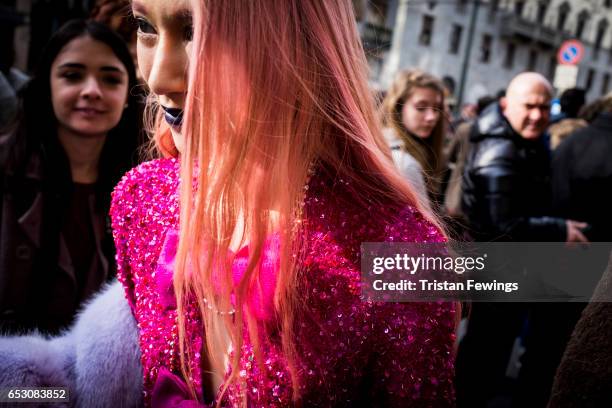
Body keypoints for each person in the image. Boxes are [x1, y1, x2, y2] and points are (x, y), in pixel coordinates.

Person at [110, 0, 457, 406]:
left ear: (295, 42)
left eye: (196, 32)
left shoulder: (399, 251)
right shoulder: (141, 199)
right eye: (145, 26)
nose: (157, 77)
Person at [0, 19, 142, 334]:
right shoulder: (6, 171)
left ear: (128, 95)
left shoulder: (143, 191)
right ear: (45, 86)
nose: (92, 91)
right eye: (72, 75)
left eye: (110, 79)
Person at [456, 72, 589, 407]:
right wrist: (558, 229)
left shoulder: (519, 140)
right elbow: (502, 223)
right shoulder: (499, 150)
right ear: (505, 105)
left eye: (545, 107)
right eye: (529, 106)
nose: (537, 115)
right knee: (484, 357)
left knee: (489, 354)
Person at [380, 69, 447, 209]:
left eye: (436, 109)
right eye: (421, 107)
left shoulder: (414, 153)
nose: (432, 117)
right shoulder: (405, 164)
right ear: (399, 107)